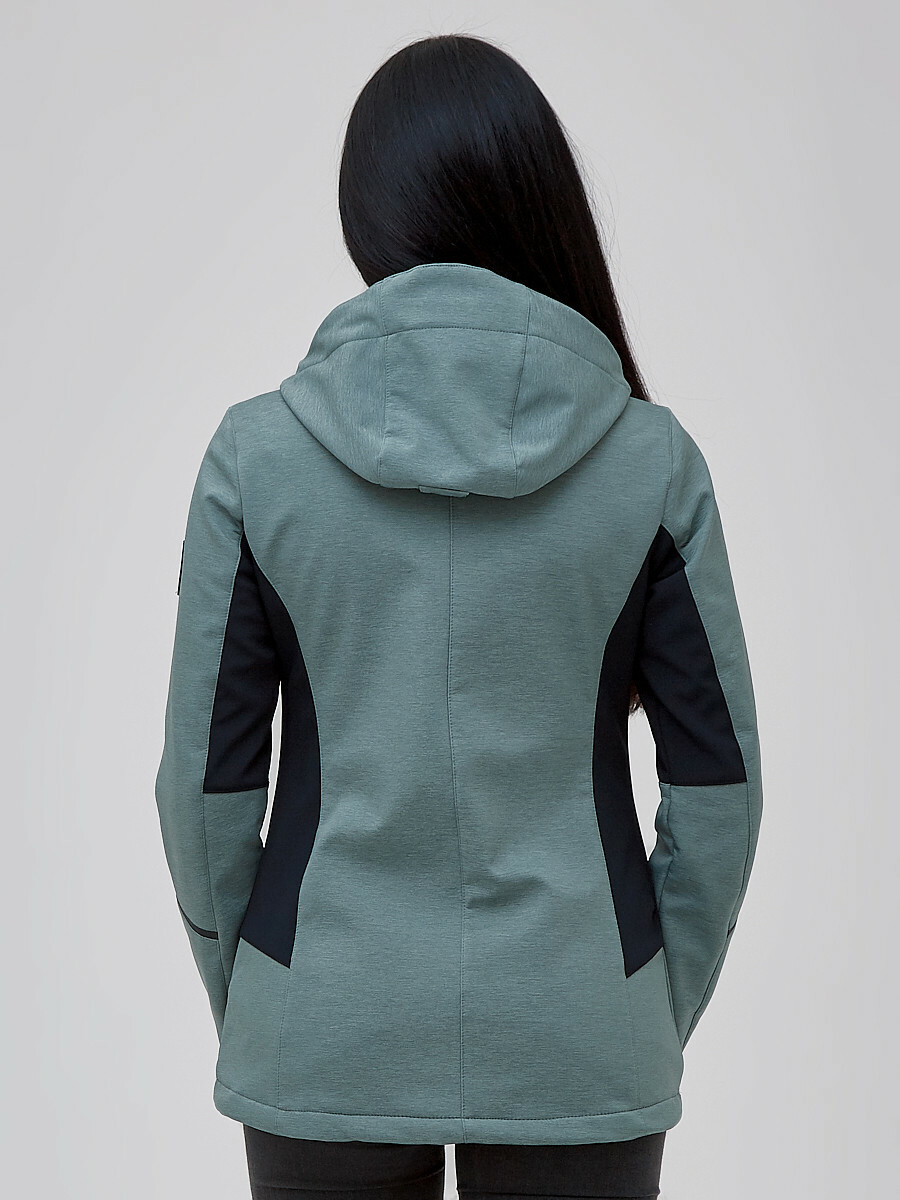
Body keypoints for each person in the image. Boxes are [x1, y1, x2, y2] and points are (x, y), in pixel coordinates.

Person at [154, 31, 763, 1200]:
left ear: (366, 214)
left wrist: (273, 1000)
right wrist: (631, 1005)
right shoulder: (653, 465)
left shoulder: (255, 460)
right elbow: (722, 793)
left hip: (319, 1019)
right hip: (581, 1029)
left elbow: (202, 789)